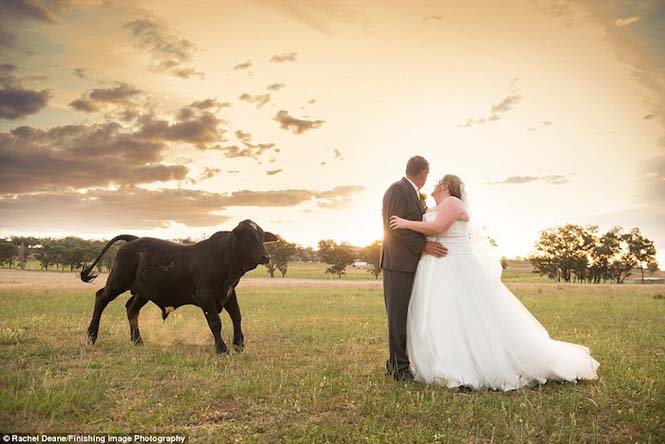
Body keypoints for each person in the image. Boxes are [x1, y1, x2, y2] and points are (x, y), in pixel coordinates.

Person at [389, 174, 600, 390]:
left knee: (462, 315)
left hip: (455, 266)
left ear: (445, 185)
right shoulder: (432, 207)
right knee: (441, 317)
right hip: (434, 267)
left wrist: (405, 223)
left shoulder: (452, 202)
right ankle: (439, 364)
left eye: (437, 182)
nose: (433, 185)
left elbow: (439, 228)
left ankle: (466, 366)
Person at [380, 156, 448, 381]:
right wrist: (425, 246)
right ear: (423, 173)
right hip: (397, 263)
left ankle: (399, 362)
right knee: (397, 316)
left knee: (409, 315)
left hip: (411, 263)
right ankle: (398, 368)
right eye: (427, 174)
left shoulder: (414, 195)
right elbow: (395, 227)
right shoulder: (398, 189)